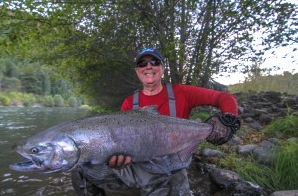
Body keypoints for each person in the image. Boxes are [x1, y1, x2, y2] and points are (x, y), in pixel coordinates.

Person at [71, 48, 240, 196]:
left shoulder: (182, 92)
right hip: (138, 167)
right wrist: (114, 157)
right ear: (137, 71)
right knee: (81, 170)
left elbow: (224, 97)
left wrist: (229, 118)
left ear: (162, 68)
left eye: (154, 62)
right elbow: (120, 145)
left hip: (172, 168)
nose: (149, 66)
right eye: (142, 64)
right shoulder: (129, 103)